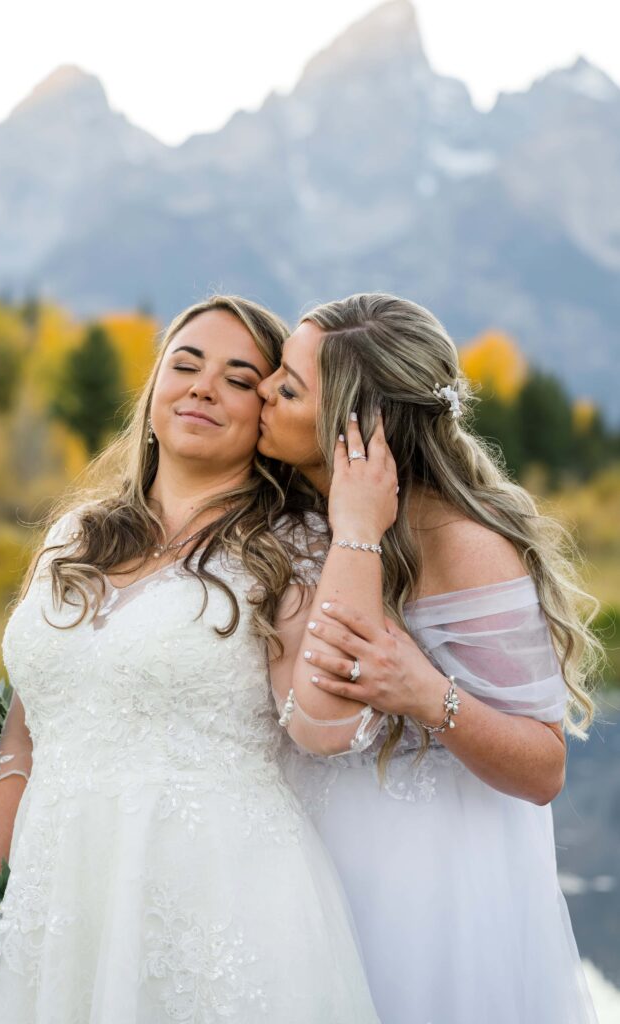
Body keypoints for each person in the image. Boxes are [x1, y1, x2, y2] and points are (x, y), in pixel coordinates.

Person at [0, 295, 381, 1024]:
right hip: (61, 898)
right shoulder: (75, 536)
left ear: (267, 413)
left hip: (216, 900)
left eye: (237, 377)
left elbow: (324, 727)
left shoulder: (288, 548)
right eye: (185, 365)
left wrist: (354, 530)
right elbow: (24, 735)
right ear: (154, 386)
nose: (201, 387)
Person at [257, 292, 600, 1023]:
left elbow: (544, 768)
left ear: (351, 427)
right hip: (305, 874)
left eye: (286, 386)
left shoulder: (464, 547)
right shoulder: (293, 523)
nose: (262, 391)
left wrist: (426, 694)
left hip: (429, 895)